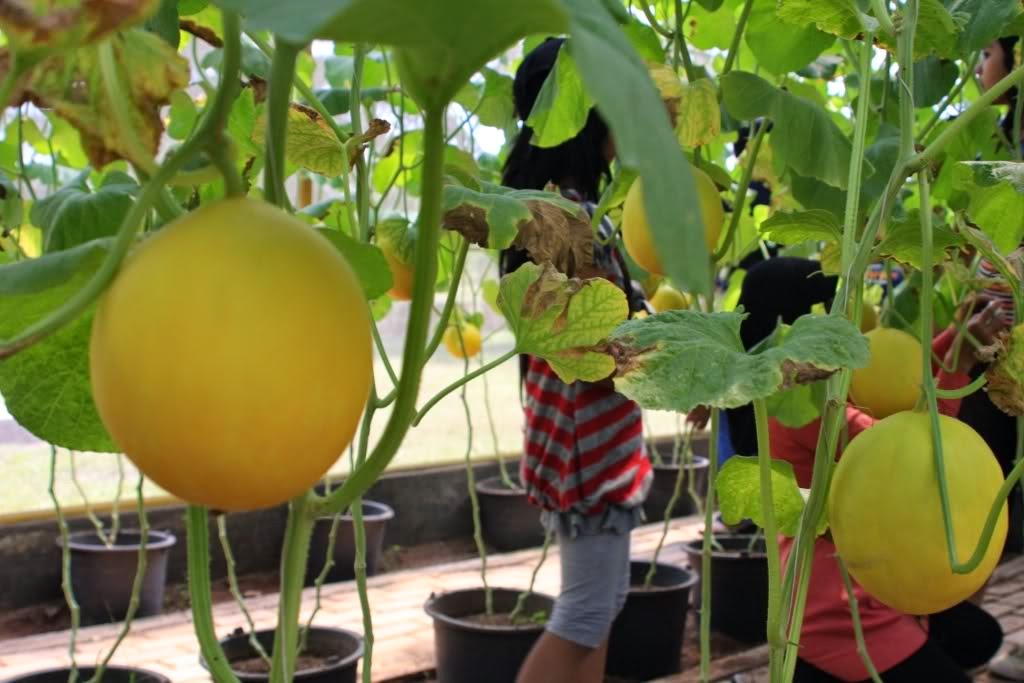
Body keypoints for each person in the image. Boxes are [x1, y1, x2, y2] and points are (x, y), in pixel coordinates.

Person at [725, 257, 1007, 683]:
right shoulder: (807, 404)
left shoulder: (786, 380)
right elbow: (907, 452)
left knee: (977, 636)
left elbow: (899, 393)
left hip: (846, 582)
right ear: (798, 321)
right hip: (842, 610)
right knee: (966, 647)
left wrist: (952, 341)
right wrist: (960, 362)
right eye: (824, 309)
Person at [500, 38, 652, 683]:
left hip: (580, 440)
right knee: (587, 612)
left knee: (601, 607)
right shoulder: (570, 216)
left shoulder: (540, 210)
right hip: (584, 446)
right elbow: (605, 339)